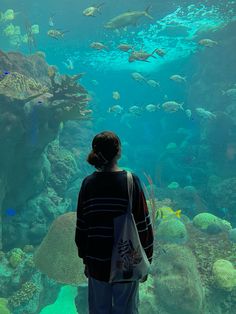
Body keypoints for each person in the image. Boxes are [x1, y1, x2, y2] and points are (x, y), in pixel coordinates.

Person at [75, 131, 154, 314]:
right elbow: (143, 226)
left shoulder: (88, 184)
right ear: (118, 151)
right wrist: (146, 260)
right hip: (126, 261)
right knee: (126, 309)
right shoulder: (130, 181)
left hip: (96, 260)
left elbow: (82, 227)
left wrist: (86, 259)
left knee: (98, 310)